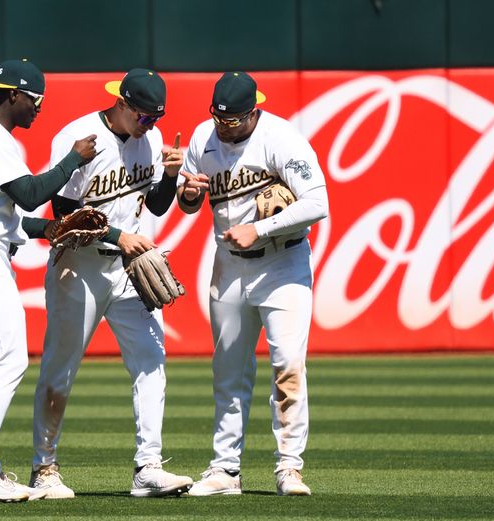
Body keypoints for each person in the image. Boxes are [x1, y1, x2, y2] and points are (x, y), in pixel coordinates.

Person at [24, 68, 193, 498]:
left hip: (127, 270)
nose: (150, 125)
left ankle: (148, 467)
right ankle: (43, 468)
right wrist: (119, 236)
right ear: (122, 103)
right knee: (60, 368)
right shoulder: (79, 137)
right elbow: (65, 220)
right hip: (77, 267)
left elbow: (154, 204)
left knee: (151, 360)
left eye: (156, 118)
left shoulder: (150, 140)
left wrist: (171, 177)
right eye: (143, 117)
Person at [0, 59, 97, 502]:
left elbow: (4, 211)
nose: (40, 109)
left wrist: (44, 230)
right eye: (36, 99)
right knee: (9, 361)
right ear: (14, 94)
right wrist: (72, 160)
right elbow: (28, 193)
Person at [177, 72, 329, 496]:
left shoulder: (282, 139)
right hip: (228, 266)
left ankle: (288, 468)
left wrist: (260, 229)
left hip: (283, 266)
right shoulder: (202, 138)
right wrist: (187, 192)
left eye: (234, 121)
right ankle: (225, 470)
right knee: (228, 372)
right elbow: (189, 202)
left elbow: (318, 202)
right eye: (219, 119)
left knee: (287, 367)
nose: (224, 128)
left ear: (254, 110)